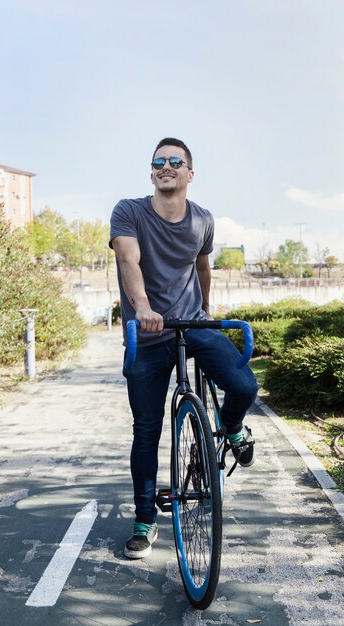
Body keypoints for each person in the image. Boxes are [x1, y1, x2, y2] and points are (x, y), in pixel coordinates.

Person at [109, 138, 258, 559]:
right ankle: (144, 520)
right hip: (149, 332)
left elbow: (202, 265)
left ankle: (231, 427)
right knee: (146, 430)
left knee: (244, 386)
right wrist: (143, 308)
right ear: (152, 171)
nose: (166, 166)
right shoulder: (129, 211)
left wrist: (208, 312)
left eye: (176, 161)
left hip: (193, 324)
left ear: (190, 173)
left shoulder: (203, 220)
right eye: (159, 162)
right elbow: (128, 261)